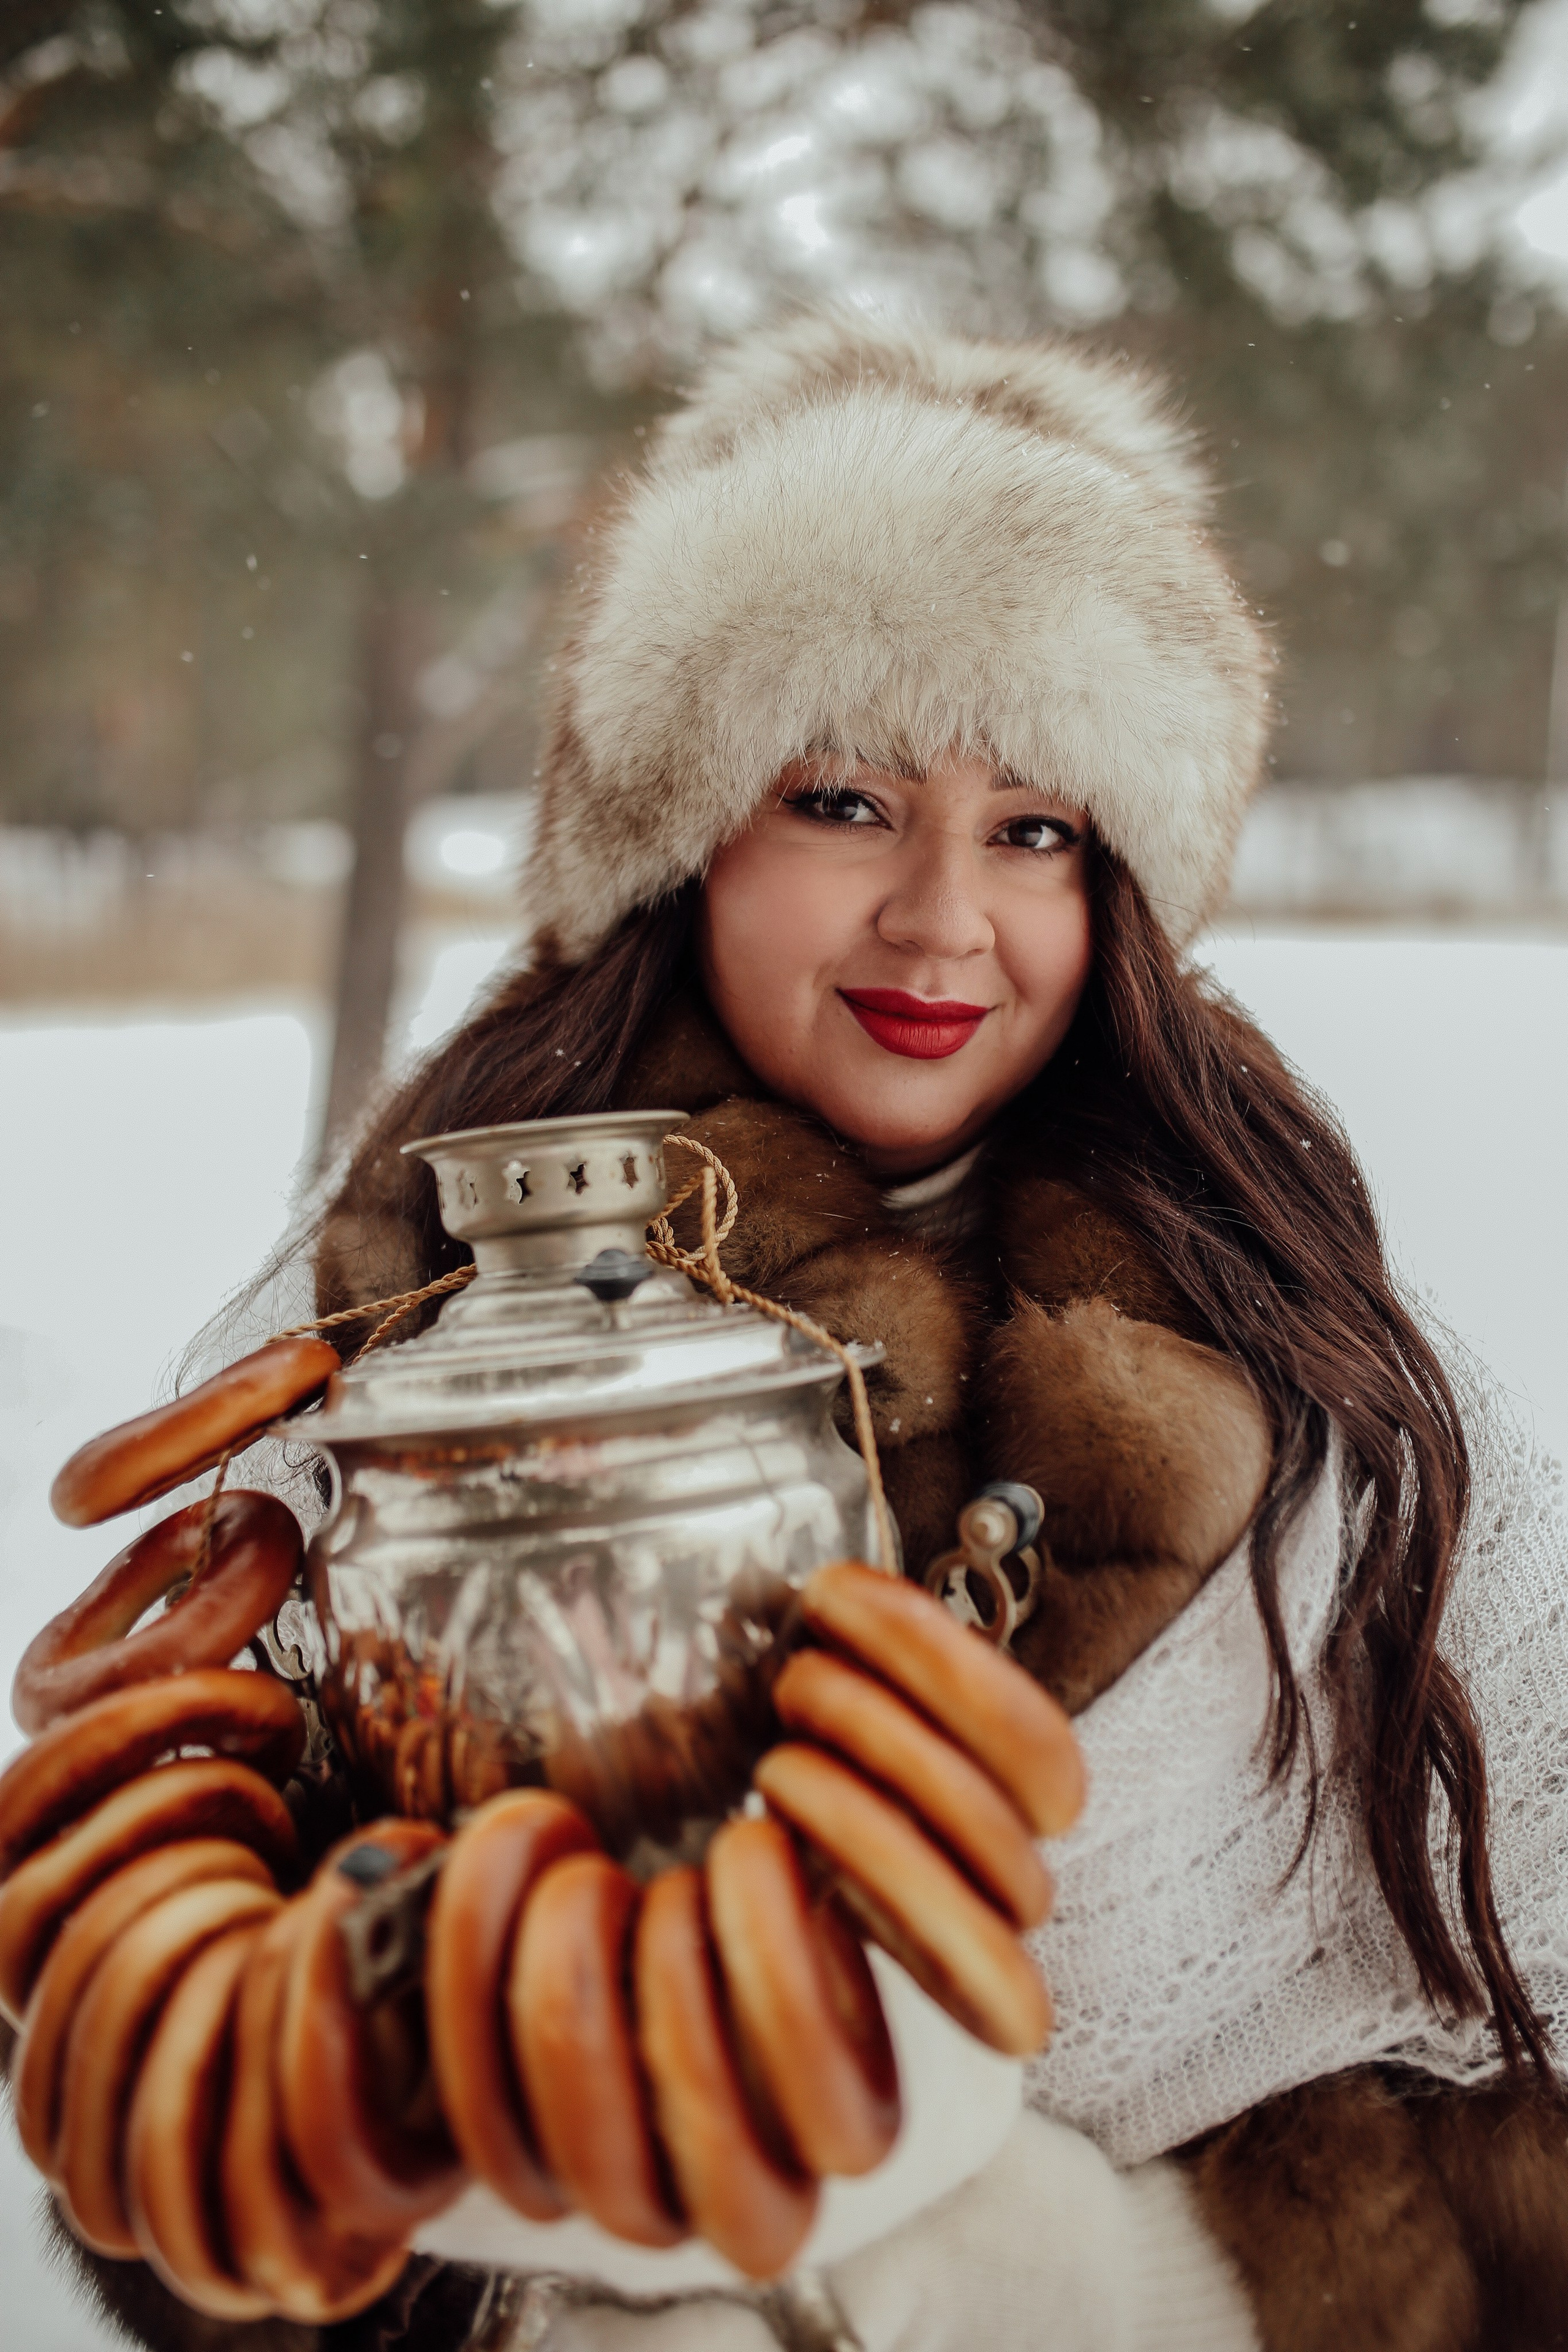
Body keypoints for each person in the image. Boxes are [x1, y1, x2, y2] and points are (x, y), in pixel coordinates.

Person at [78, 316, 1568, 2351]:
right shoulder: (407, 1297)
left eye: (1036, 828)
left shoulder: (1301, 1341)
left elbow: (1522, 2024)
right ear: (686, 833)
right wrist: (450, 2197)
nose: (945, 918)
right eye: (848, 801)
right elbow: (191, 2073)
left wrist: (1059, 2274)